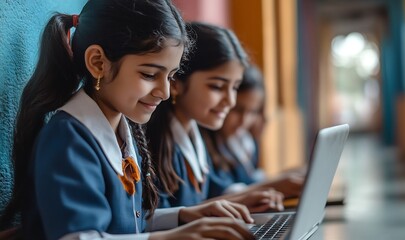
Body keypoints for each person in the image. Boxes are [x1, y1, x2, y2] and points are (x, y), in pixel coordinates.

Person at [0, 1, 255, 239]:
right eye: (149, 74)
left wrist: (183, 215)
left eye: (170, 76)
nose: (165, 92)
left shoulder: (124, 131)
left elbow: (127, 225)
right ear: (98, 62)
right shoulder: (68, 140)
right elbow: (81, 235)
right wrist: (172, 236)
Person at [146, 22, 284, 213]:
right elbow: (149, 219)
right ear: (176, 82)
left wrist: (248, 198)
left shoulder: (196, 136)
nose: (230, 101)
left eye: (235, 87)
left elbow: (213, 194)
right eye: (217, 87)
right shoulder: (154, 143)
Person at [201, 64, 304, 198]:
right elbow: (223, 193)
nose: (244, 120)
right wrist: (274, 184)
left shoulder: (246, 141)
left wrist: (286, 177)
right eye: (238, 110)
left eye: (252, 112)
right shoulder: (206, 146)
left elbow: (251, 181)